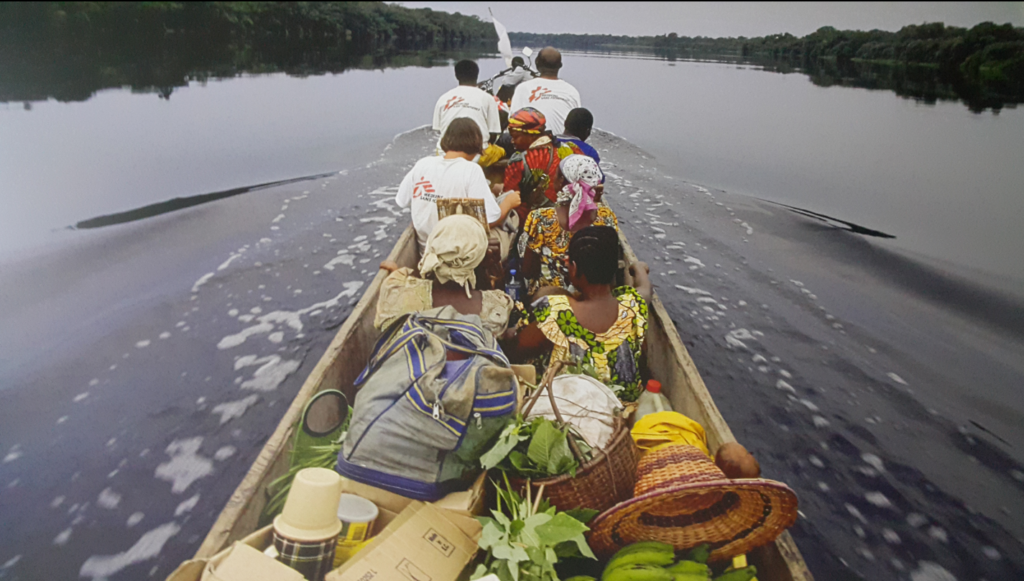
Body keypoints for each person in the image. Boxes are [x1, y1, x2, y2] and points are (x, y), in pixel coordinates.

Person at [506, 226, 652, 400]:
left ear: (574, 268)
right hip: (623, 406)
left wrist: (510, 332)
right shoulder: (632, 304)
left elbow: (516, 351)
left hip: (569, 406)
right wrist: (639, 269)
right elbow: (645, 289)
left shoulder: (558, 311)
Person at [375, 215, 514, 336]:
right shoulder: (496, 309)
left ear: (431, 248)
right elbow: (488, 295)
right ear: (479, 259)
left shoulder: (394, 289)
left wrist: (395, 274)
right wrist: (490, 268)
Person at [395, 118, 520, 254]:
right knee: (513, 219)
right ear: (476, 145)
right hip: (459, 256)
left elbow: (402, 201)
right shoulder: (471, 169)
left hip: (426, 253)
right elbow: (491, 220)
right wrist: (509, 203)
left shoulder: (422, 164)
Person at [519, 155, 618, 295]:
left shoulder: (540, 218)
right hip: (593, 295)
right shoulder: (606, 217)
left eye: (556, 174)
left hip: (549, 296)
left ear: (560, 182)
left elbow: (528, 271)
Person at [502, 107, 563, 221]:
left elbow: (509, 196)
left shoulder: (519, 161)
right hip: (564, 217)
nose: (512, 141)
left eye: (516, 137)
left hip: (532, 221)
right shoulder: (568, 149)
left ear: (532, 135)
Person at [433, 59, 501, 152]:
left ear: (456, 76)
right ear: (477, 75)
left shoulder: (443, 98)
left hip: (444, 153)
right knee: (501, 151)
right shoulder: (488, 98)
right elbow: (493, 134)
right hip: (476, 153)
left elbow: (438, 130)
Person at [510, 47, 581, 136]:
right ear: (560, 65)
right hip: (563, 145)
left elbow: (514, 121)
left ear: (536, 63)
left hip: (533, 144)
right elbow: (577, 124)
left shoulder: (523, 88)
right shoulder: (572, 91)